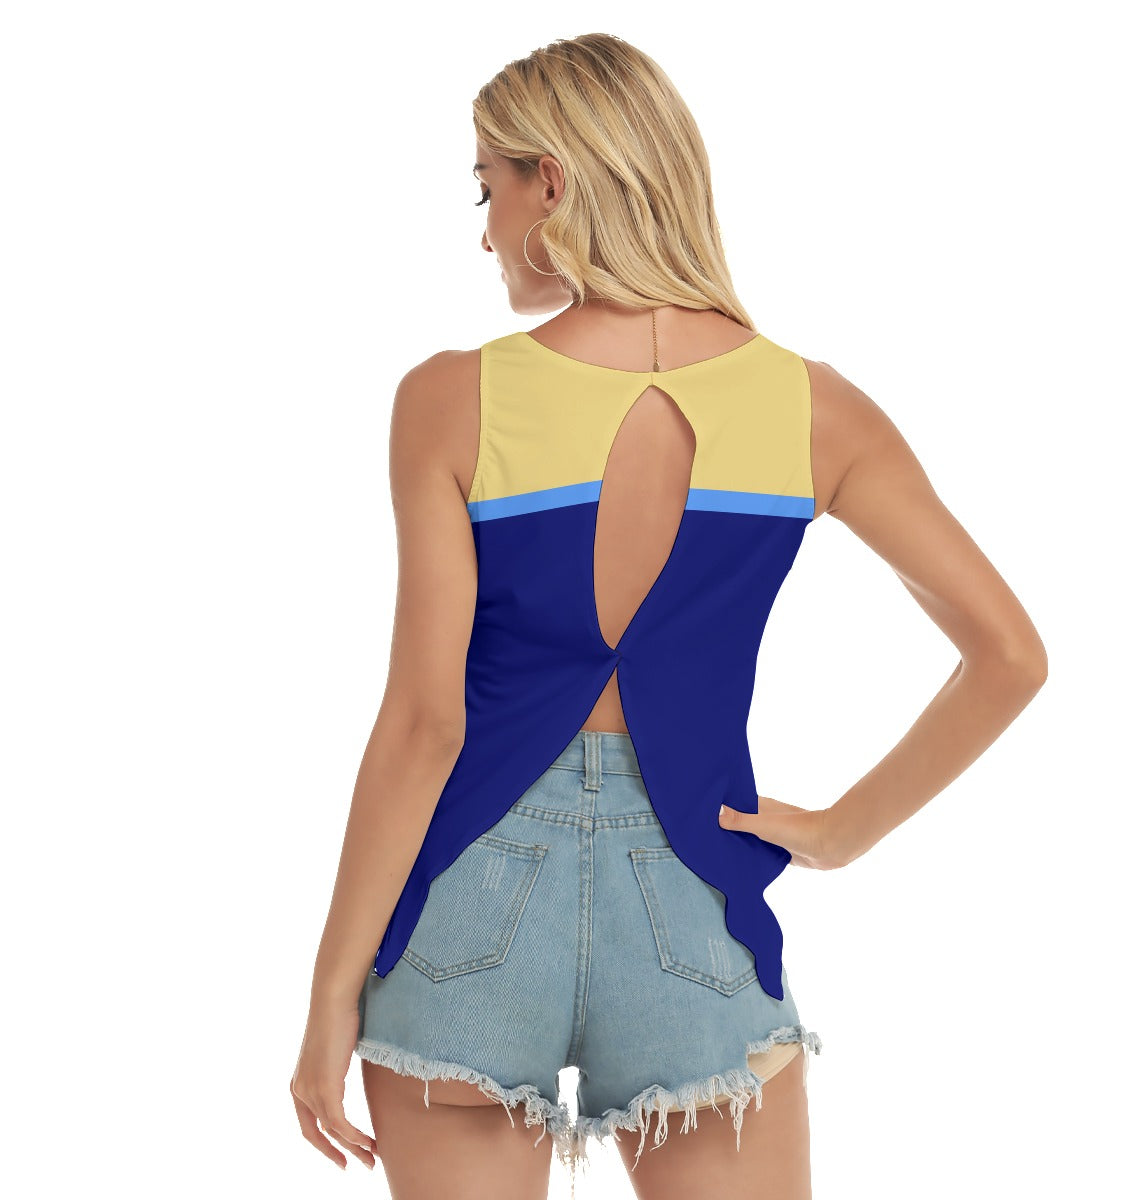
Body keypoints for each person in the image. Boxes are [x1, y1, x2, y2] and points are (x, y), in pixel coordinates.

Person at [290, 32, 1048, 1200]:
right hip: (694, 895)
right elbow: (1008, 654)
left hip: (467, 907)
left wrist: (331, 992)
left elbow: (426, 725)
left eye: (487, 188)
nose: (484, 229)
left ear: (551, 182)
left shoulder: (451, 399)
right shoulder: (811, 408)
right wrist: (841, 831)